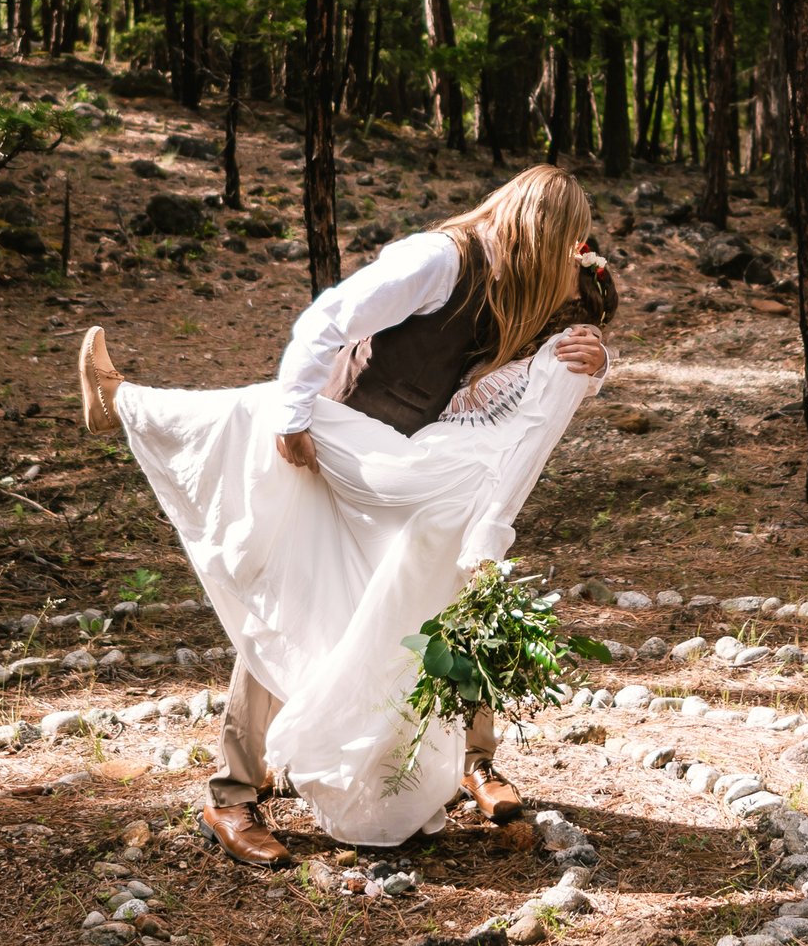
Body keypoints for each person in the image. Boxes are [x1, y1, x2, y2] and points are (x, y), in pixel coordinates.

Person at [77, 165, 613, 864]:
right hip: (330, 439)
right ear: (537, 232)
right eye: (566, 246)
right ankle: (232, 796)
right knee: (290, 597)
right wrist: (294, 416)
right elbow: (327, 317)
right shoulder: (439, 259)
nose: (569, 262)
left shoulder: (526, 279)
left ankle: (471, 764)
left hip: (405, 464)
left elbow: (552, 364)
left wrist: (597, 359)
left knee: (439, 597)